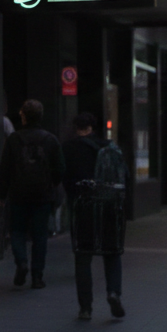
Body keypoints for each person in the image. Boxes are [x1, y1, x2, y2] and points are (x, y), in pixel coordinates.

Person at [62, 112, 125, 320]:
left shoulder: (68, 148)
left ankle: (85, 308)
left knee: (82, 257)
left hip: (82, 207)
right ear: (93, 127)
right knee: (112, 253)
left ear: (76, 127)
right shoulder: (108, 148)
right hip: (108, 206)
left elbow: (63, 177)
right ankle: (113, 292)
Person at [0, 99, 65, 289]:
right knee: (40, 236)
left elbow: (4, 170)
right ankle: (37, 277)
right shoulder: (50, 139)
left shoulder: (13, 140)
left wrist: (2, 195)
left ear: (23, 116)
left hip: (18, 194)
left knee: (17, 230)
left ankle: (21, 262)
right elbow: (60, 168)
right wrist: (52, 184)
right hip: (43, 195)